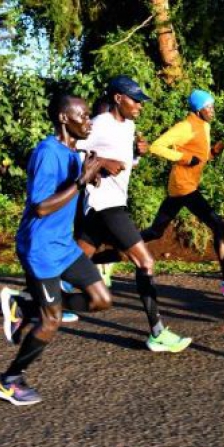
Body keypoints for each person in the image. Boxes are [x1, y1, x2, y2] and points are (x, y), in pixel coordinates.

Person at [0, 93, 112, 405]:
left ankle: (23, 306)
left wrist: (92, 176)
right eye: (82, 116)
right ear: (63, 118)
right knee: (52, 320)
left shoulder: (74, 153)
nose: (88, 121)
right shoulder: (47, 152)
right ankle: (9, 380)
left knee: (100, 300)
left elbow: (74, 185)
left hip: (63, 246)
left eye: (88, 115)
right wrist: (83, 181)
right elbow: (42, 207)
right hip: (40, 249)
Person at [75, 76, 191, 353]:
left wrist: (135, 155)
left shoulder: (130, 126)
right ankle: (157, 333)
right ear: (118, 98)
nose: (140, 105)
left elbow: (124, 165)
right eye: (135, 100)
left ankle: (26, 302)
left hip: (108, 205)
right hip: (104, 204)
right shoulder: (100, 124)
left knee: (75, 261)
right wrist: (101, 162)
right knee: (145, 263)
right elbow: (72, 151)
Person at [141, 90, 224, 296]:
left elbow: (199, 157)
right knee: (219, 225)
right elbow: (156, 147)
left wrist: (212, 153)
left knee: (155, 232)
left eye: (212, 106)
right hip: (184, 187)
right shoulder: (185, 127)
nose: (212, 111)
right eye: (208, 107)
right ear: (198, 109)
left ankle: (120, 245)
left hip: (182, 187)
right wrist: (184, 158)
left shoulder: (204, 126)